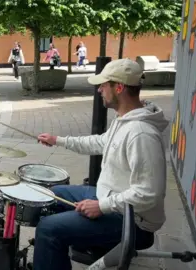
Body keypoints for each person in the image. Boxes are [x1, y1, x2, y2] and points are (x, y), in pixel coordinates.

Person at [33, 59, 168, 270]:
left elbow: (149, 193)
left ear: (119, 87)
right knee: (50, 196)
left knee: (48, 229)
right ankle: (58, 254)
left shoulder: (141, 134)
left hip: (133, 222)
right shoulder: (124, 120)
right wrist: (57, 140)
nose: (99, 90)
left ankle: (56, 245)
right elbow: (99, 142)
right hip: (110, 198)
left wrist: (101, 206)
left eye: (103, 85)